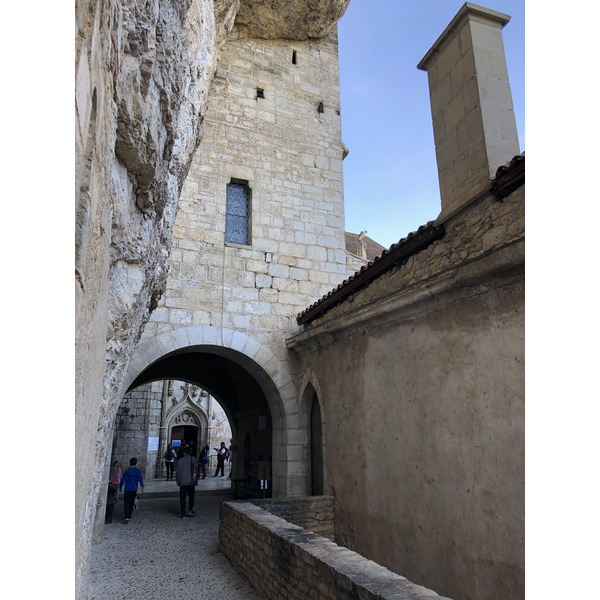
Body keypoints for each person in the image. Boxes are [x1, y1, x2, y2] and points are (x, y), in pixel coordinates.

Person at [176, 445, 198, 518]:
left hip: (183, 481)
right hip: (191, 481)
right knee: (191, 496)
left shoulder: (180, 461)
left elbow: (178, 472)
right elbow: (196, 469)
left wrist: (178, 481)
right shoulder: (194, 459)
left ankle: (183, 512)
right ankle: (190, 510)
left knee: (182, 497)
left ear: (184, 453)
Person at [119, 457, 144, 524]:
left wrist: (120, 488)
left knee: (126, 502)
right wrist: (142, 486)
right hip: (133, 489)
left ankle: (126, 515)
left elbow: (122, 480)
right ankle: (129, 515)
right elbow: (140, 478)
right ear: (136, 463)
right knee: (131, 502)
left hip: (127, 489)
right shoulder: (137, 471)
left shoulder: (127, 471)